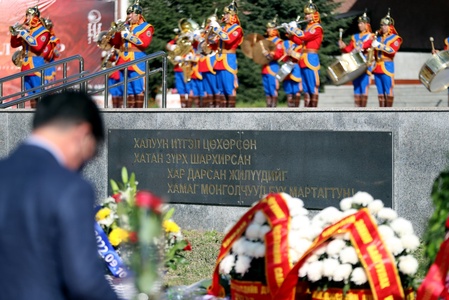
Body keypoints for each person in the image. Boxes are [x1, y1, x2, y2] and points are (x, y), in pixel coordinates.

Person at [0, 91, 119, 300]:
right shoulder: (70, 188)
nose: (85, 163)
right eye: (93, 152)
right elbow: (85, 284)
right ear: (83, 134)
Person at [109, 0, 153, 108]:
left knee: (138, 88)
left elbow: (144, 43)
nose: (129, 16)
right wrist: (116, 32)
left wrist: (128, 36)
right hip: (123, 60)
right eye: (128, 13)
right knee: (127, 90)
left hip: (136, 59)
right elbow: (115, 43)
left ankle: (138, 116)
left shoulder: (146, 27)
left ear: (139, 15)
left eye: (132, 14)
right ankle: (129, 115)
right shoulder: (126, 26)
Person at [284, 0, 323, 107]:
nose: (306, 16)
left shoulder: (317, 27)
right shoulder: (308, 27)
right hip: (303, 58)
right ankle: (307, 111)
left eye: (309, 13)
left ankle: (313, 112)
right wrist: (290, 33)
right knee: (306, 87)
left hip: (311, 58)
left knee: (313, 86)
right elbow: (300, 41)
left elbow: (305, 36)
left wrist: (294, 29)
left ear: (315, 14)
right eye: (305, 14)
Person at [10, 5, 50, 108]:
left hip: (36, 64)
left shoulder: (44, 32)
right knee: (30, 95)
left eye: (29, 15)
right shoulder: (28, 31)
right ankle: (32, 116)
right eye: (27, 15)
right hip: (26, 65)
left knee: (39, 93)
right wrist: (14, 34)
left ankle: (41, 115)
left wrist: (24, 33)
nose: (27, 18)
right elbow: (14, 44)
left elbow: (38, 47)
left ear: (35, 17)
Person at [209, 0, 244, 108]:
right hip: (219, 59)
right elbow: (213, 44)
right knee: (220, 89)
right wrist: (210, 34)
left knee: (229, 88)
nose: (224, 16)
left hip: (229, 59)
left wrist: (218, 30)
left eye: (227, 14)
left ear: (233, 15)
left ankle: (231, 114)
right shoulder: (223, 28)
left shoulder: (237, 29)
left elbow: (228, 40)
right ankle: (222, 114)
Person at [338, 11, 374, 107]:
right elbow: (349, 49)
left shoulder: (371, 36)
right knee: (356, 86)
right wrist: (343, 47)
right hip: (355, 64)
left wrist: (361, 47)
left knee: (364, 85)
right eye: (359, 23)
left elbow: (368, 44)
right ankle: (357, 109)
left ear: (367, 24)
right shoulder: (355, 37)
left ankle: (363, 109)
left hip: (364, 64)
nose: (359, 25)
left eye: (362, 23)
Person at [371, 9, 402, 107]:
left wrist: (380, 46)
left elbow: (392, 50)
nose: (383, 27)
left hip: (387, 66)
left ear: (390, 26)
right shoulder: (378, 38)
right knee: (380, 92)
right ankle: (381, 111)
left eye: (385, 25)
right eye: (381, 25)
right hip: (377, 66)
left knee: (388, 89)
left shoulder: (395, 38)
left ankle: (389, 112)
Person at [260, 16, 284, 107]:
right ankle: (268, 107)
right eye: (268, 28)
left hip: (273, 67)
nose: (268, 30)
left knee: (273, 88)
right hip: (265, 67)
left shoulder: (278, 41)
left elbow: (278, 54)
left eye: (270, 28)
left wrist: (269, 54)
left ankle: (273, 109)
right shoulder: (265, 40)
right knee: (267, 90)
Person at [282, 38, 303, 107]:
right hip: (287, 67)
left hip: (296, 68)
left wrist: (292, 53)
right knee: (289, 92)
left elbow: (301, 57)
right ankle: (289, 111)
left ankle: (296, 111)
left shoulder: (300, 43)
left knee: (297, 91)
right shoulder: (285, 43)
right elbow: (282, 57)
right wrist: (286, 53)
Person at [42, 17, 62, 84]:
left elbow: (57, 51)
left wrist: (55, 51)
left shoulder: (54, 39)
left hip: (49, 64)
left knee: (49, 84)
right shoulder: (37, 37)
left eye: (48, 27)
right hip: (38, 64)